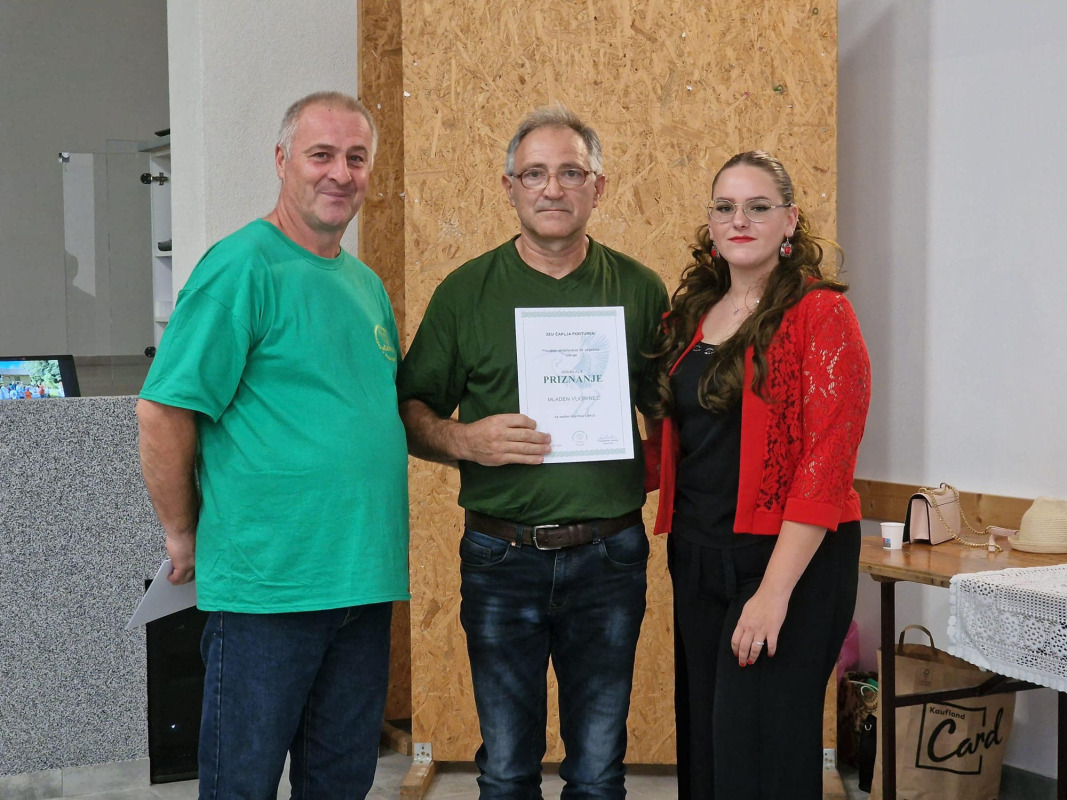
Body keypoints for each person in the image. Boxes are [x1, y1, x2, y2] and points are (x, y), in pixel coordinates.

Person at [136, 91, 409, 800]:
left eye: (356, 158)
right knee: (241, 785)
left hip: (361, 581)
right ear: (283, 160)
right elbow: (163, 411)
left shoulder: (365, 285)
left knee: (339, 784)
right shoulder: (241, 268)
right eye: (321, 155)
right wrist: (181, 534)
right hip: (268, 590)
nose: (340, 173)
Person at [397, 104, 669, 799]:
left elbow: (669, 411)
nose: (553, 188)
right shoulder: (465, 293)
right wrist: (463, 439)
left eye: (571, 173)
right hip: (500, 558)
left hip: (610, 556)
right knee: (507, 771)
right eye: (534, 174)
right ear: (508, 187)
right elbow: (409, 410)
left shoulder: (640, 290)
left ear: (598, 187)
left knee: (599, 772)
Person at [647, 151, 871, 800]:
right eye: (725, 207)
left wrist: (773, 594)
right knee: (707, 750)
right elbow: (680, 442)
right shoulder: (689, 317)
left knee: (759, 756)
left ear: (789, 221)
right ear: (710, 222)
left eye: (757, 207)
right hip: (697, 555)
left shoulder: (820, 314)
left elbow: (827, 463)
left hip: (786, 563)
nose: (738, 220)